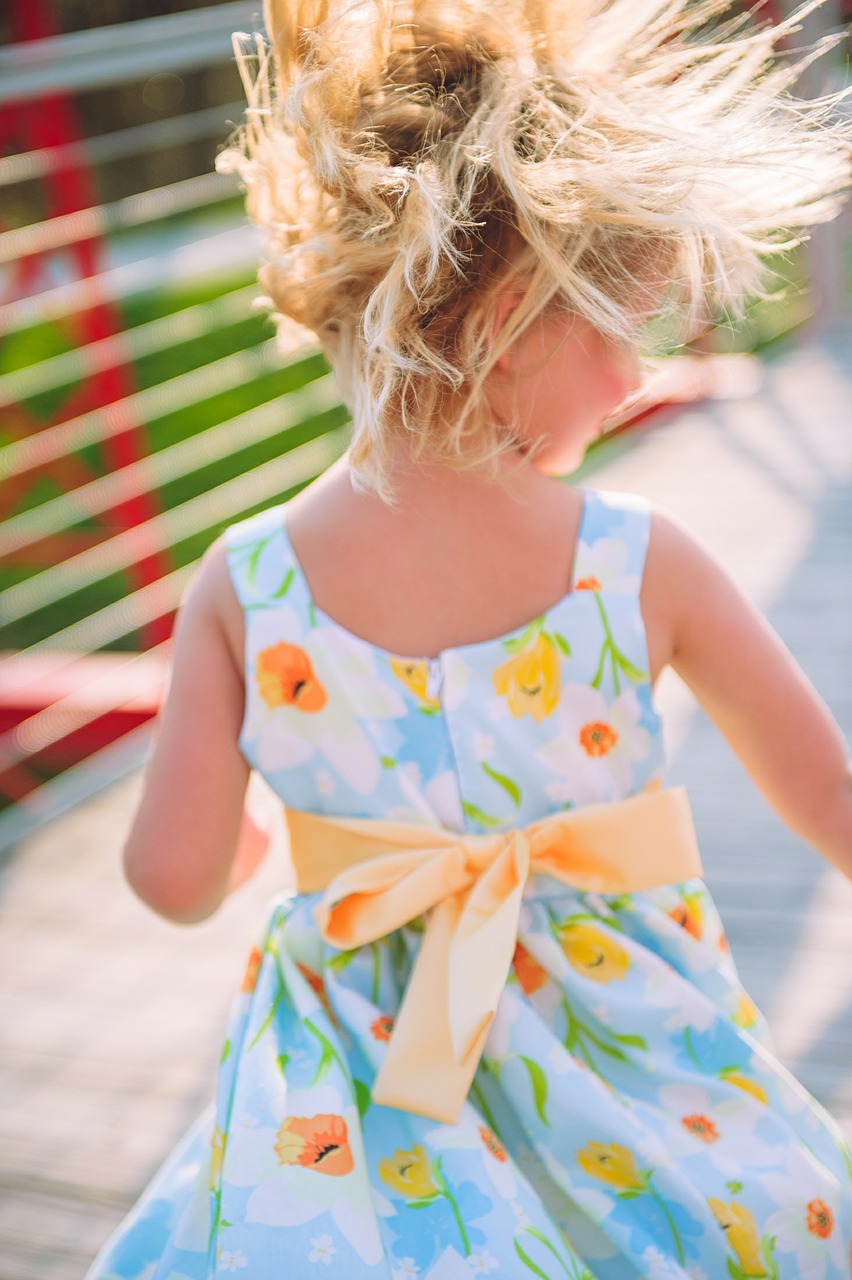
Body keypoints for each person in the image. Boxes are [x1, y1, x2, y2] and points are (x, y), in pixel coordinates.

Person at [86, 0, 852, 1276]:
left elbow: (172, 877)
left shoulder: (248, 582)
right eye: (619, 329)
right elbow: (832, 795)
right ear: (506, 316)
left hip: (363, 1107)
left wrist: (260, 842)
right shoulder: (636, 557)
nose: (636, 377)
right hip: (635, 1069)